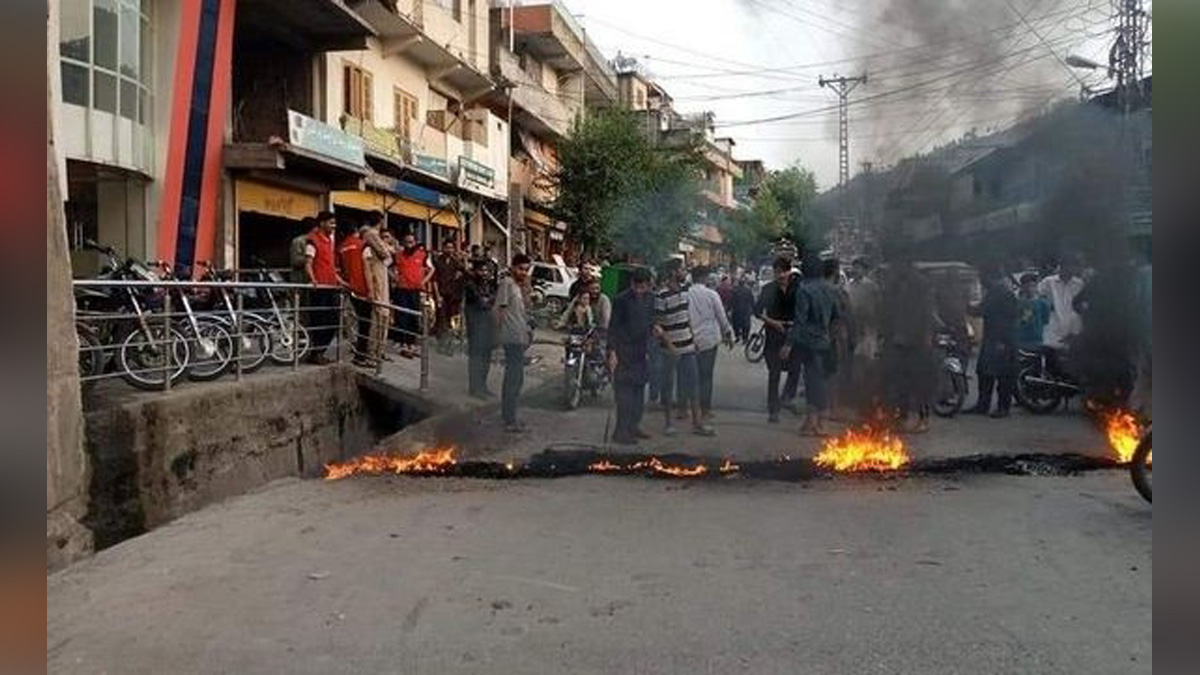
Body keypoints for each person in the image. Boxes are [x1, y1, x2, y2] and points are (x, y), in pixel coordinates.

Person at [653, 258, 714, 437]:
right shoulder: (661, 295)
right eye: (681, 269)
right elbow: (657, 325)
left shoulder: (686, 291)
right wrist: (670, 345)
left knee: (693, 384)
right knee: (668, 385)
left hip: (687, 346)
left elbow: (686, 317)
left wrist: (693, 338)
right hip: (669, 349)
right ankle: (668, 424)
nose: (684, 272)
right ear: (673, 272)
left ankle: (697, 423)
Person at [781, 252, 839, 436]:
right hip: (825, 340)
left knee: (813, 380)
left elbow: (800, 321)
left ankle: (818, 421)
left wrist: (788, 344)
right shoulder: (831, 289)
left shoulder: (804, 290)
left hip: (808, 342)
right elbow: (837, 317)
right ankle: (811, 421)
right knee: (817, 378)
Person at [879, 259, 937, 433]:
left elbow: (927, 312)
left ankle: (923, 418)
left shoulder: (921, 284)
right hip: (898, 341)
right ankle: (901, 416)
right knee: (900, 382)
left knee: (919, 381)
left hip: (916, 341)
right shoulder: (895, 284)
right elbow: (889, 311)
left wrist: (927, 337)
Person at [607, 267, 655, 445]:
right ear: (631, 283)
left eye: (643, 286)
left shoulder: (651, 298)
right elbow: (613, 327)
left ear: (649, 285)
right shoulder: (621, 300)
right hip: (624, 352)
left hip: (641, 352)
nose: (639, 290)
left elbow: (650, 321)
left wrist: (654, 331)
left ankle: (634, 426)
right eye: (636, 286)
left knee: (638, 396)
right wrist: (612, 352)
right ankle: (620, 432)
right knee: (624, 396)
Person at [683, 265, 733, 420]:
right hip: (709, 341)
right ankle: (705, 410)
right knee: (706, 376)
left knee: (690, 376)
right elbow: (721, 316)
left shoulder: (685, 295)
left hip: (689, 340)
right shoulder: (712, 295)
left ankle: (686, 409)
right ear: (705, 278)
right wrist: (728, 334)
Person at [755, 257, 801, 423]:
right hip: (774, 334)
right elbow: (758, 311)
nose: (780, 275)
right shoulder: (768, 289)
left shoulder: (798, 290)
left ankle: (787, 398)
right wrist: (773, 322)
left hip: (793, 333)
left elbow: (803, 315)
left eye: (783, 271)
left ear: (789, 271)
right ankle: (773, 410)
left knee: (795, 370)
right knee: (774, 373)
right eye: (777, 272)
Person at [967, 270, 1019, 417]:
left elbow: (982, 311)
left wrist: (965, 306)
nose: (982, 283)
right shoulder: (997, 292)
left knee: (1003, 376)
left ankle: (1002, 407)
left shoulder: (1001, 294)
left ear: (990, 277)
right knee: (984, 373)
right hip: (993, 338)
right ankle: (983, 405)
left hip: (1002, 340)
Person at [495, 254, 534, 432]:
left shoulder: (520, 287)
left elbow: (525, 311)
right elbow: (499, 310)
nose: (523, 272)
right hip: (510, 337)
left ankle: (511, 416)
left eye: (526, 269)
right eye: (520, 269)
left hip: (520, 337)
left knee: (516, 379)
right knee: (514, 378)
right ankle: (509, 419)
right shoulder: (507, 284)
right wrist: (497, 335)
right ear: (513, 267)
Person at [302, 211, 344, 364]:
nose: (334, 226)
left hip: (330, 287)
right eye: (331, 223)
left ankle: (319, 351)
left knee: (332, 321)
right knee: (319, 321)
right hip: (320, 289)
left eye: (334, 223)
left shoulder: (329, 241)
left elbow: (330, 266)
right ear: (322, 223)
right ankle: (316, 353)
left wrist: (340, 281)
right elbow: (308, 264)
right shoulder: (313, 241)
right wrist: (313, 280)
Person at [823, 258, 856, 420]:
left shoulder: (815, 290)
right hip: (835, 337)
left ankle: (821, 408)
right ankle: (833, 407)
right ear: (835, 272)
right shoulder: (839, 293)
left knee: (822, 373)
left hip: (820, 338)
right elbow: (848, 316)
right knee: (834, 373)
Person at [360, 213, 393, 365]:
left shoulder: (370, 236)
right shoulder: (371, 234)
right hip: (377, 280)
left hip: (380, 278)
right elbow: (385, 253)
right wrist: (387, 248)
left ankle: (378, 352)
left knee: (382, 315)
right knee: (379, 316)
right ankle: (372, 354)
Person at [394, 232, 434, 357]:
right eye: (407, 242)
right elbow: (388, 266)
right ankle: (403, 343)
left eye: (411, 242)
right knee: (402, 316)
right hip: (402, 290)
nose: (409, 244)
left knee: (414, 317)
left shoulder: (422, 255)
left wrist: (423, 281)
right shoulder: (398, 255)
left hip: (415, 291)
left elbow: (432, 269)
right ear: (403, 243)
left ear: (415, 243)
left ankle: (412, 344)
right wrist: (396, 279)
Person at [336, 223, 371, 364]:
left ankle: (357, 352)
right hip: (363, 289)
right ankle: (361, 356)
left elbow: (336, 271)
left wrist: (345, 284)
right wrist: (371, 290)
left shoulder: (341, 248)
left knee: (353, 321)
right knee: (365, 323)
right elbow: (367, 270)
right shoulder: (363, 245)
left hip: (350, 289)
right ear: (356, 231)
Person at [464, 254, 497, 398]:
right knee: (476, 359)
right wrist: (489, 300)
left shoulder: (489, 285)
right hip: (475, 327)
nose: (484, 274)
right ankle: (475, 388)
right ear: (475, 271)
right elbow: (481, 303)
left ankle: (483, 386)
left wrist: (489, 299)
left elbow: (496, 299)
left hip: (488, 325)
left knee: (486, 359)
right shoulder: (470, 285)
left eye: (486, 271)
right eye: (482, 271)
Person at [1037, 254, 1085, 351]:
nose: (1072, 269)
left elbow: (1080, 309)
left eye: (1075, 266)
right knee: (1050, 359)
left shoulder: (1080, 284)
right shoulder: (1048, 282)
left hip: (1073, 329)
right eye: (1069, 265)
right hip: (1052, 328)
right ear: (1062, 266)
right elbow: (1037, 297)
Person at [433, 237, 466, 350]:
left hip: (451, 295)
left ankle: (448, 344)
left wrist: (462, 260)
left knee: (449, 319)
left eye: (451, 248)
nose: (449, 250)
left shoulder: (454, 262)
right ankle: (441, 343)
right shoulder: (438, 261)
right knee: (441, 319)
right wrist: (437, 295)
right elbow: (435, 280)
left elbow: (464, 271)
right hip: (441, 293)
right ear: (443, 248)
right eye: (447, 247)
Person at [1015, 272, 1050, 351]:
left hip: (1037, 340)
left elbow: (1045, 321)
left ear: (1036, 286)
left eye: (1032, 286)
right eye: (1026, 286)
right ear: (1022, 287)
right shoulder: (1016, 303)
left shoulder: (1043, 303)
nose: (1029, 289)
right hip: (1020, 340)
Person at [289, 217, 317, 283]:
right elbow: (295, 260)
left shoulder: (316, 241)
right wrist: (310, 258)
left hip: (312, 278)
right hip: (300, 279)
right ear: (313, 229)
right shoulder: (298, 241)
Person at [729, 277, 755, 344]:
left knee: (736, 325)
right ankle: (745, 338)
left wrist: (729, 308)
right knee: (745, 325)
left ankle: (737, 337)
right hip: (745, 310)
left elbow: (731, 300)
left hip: (736, 310)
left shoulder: (734, 290)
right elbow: (752, 300)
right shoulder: (748, 290)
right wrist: (753, 309)